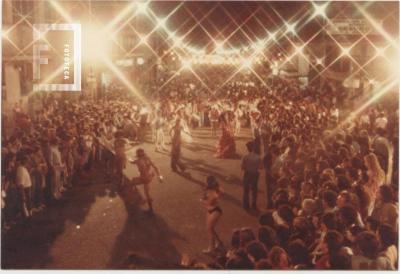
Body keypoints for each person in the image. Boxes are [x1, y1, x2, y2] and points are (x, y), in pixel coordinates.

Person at [130, 148, 162, 214]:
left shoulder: (138, 161)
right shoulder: (148, 158)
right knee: (147, 193)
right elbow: (155, 167)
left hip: (144, 178)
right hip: (149, 176)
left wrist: (128, 158)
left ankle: (141, 199)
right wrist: (159, 176)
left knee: (132, 182)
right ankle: (150, 206)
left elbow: (132, 162)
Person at [201, 176, 223, 254]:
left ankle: (211, 249)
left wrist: (203, 201)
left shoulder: (211, 191)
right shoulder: (211, 189)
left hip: (215, 211)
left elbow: (210, 202)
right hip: (212, 210)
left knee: (209, 229)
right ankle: (219, 243)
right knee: (211, 229)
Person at [241, 141, 261, 210]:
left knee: (246, 190)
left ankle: (246, 205)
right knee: (254, 190)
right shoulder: (258, 157)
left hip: (247, 173)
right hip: (255, 173)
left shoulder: (245, 157)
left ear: (247, 148)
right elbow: (260, 167)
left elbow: (242, 167)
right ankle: (254, 204)